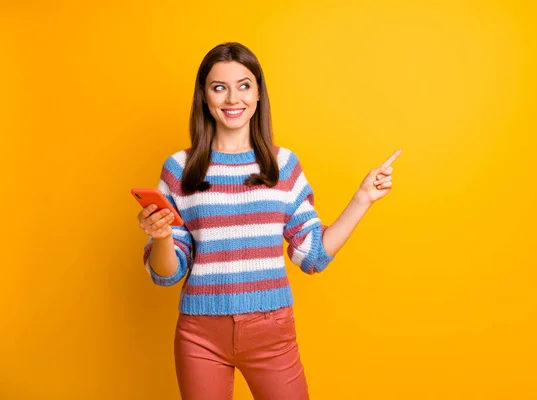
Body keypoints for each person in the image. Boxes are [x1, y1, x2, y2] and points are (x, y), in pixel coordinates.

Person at [136, 42, 401, 400]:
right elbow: (166, 274)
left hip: (271, 332)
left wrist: (362, 199)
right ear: (204, 95)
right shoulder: (179, 169)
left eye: (244, 85)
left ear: (259, 93)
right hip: (200, 334)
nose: (233, 99)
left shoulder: (283, 166)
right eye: (219, 87)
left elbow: (312, 256)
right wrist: (163, 236)